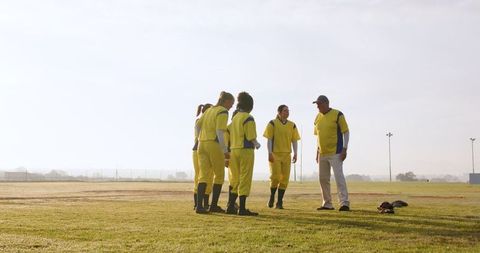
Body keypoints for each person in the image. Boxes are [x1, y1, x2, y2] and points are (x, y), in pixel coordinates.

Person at [195, 91, 235, 214]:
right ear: (226, 101)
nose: (231, 106)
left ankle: (199, 206)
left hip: (201, 144)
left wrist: (199, 137)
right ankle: (213, 205)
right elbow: (219, 131)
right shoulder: (223, 111)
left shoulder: (209, 110)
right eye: (231, 104)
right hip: (214, 144)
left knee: (204, 175)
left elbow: (197, 125)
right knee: (219, 175)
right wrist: (225, 150)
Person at [225, 92, 261, 216]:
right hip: (246, 150)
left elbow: (227, 132)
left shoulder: (234, 118)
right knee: (245, 177)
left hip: (233, 150)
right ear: (250, 105)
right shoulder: (248, 117)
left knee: (234, 178)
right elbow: (251, 136)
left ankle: (230, 205)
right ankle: (242, 208)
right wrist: (257, 144)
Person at [313, 95, 351, 211]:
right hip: (322, 153)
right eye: (317, 104)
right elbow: (318, 136)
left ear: (326, 103)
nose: (317, 107)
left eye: (319, 104)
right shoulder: (317, 117)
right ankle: (327, 204)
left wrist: (345, 148)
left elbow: (346, 132)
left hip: (336, 152)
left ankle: (344, 203)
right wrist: (317, 151)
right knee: (323, 179)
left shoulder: (338, 114)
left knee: (339, 178)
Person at [263, 105, 301, 209]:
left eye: (288, 110)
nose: (287, 112)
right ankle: (272, 197)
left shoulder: (292, 125)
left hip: (286, 154)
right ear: (279, 112)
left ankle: (279, 202)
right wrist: (269, 153)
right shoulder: (272, 123)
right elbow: (269, 139)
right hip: (275, 154)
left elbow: (294, 140)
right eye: (285, 110)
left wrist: (296, 153)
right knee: (275, 177)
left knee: (285, 179)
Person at [192, 103, 213, 210]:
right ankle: (199, 203)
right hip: (201, 149)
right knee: (203, 176)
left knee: (205, 177)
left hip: (199, 150)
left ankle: (202, 203)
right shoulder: (201, 121)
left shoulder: (200, 121)